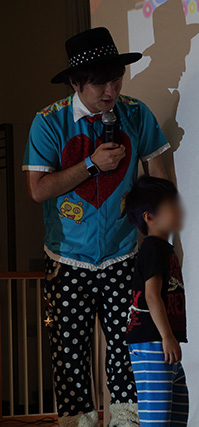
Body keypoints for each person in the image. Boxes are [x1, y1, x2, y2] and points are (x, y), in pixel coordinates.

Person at [23, 27, 170, 426]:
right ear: (76, 83)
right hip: (67, 257)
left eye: (116, 79)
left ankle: (127, 421)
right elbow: (38, 189)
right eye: (100, 83)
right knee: (69, 354)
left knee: (128, 350)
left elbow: (160, 181)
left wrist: (159, 242)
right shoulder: (49, 121)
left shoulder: (135, 113)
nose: (111, 90)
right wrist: (91, 164)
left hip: (124, 253)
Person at [124, 177, 189, 426]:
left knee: (177, 413)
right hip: (153, 341)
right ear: (149, 217)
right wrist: (167, 337)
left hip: (161, 341)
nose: (179, 210)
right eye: (171, 206)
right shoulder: (153, 248)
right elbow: (151, 295)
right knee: (157, 419)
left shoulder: (164, 248)